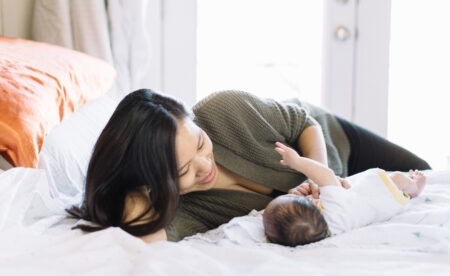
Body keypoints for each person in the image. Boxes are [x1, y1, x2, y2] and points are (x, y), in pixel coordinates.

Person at [67, 89, 431, 243]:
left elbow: (302, 122)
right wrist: (128, 185)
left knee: (425, 171)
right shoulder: (183, 208)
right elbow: (145, 233)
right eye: (182, 172)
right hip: (354, 199)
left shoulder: (225, 110)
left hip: (338, 142)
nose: (204, 165)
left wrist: (319, 177)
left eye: (198, 143)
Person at [262, 142, 426, 246]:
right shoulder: (333, 208)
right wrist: (297, 162)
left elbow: (304, 212)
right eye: (290, 198)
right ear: (311, 205)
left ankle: (409, 188)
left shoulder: (328, 228)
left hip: (382, 205)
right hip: (385, 190)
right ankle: (416, 187)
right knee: (398, 177)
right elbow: (325, 174)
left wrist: (304, 194)